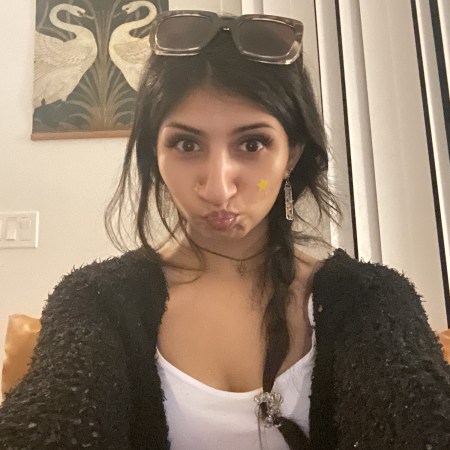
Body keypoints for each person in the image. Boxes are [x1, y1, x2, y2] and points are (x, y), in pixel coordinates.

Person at [1, 10, 449, 450]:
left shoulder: (372, 301)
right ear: (155, 153)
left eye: (252, 144)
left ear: (291, 154)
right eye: (186, 143)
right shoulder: (95, 302)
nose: (218, 187)